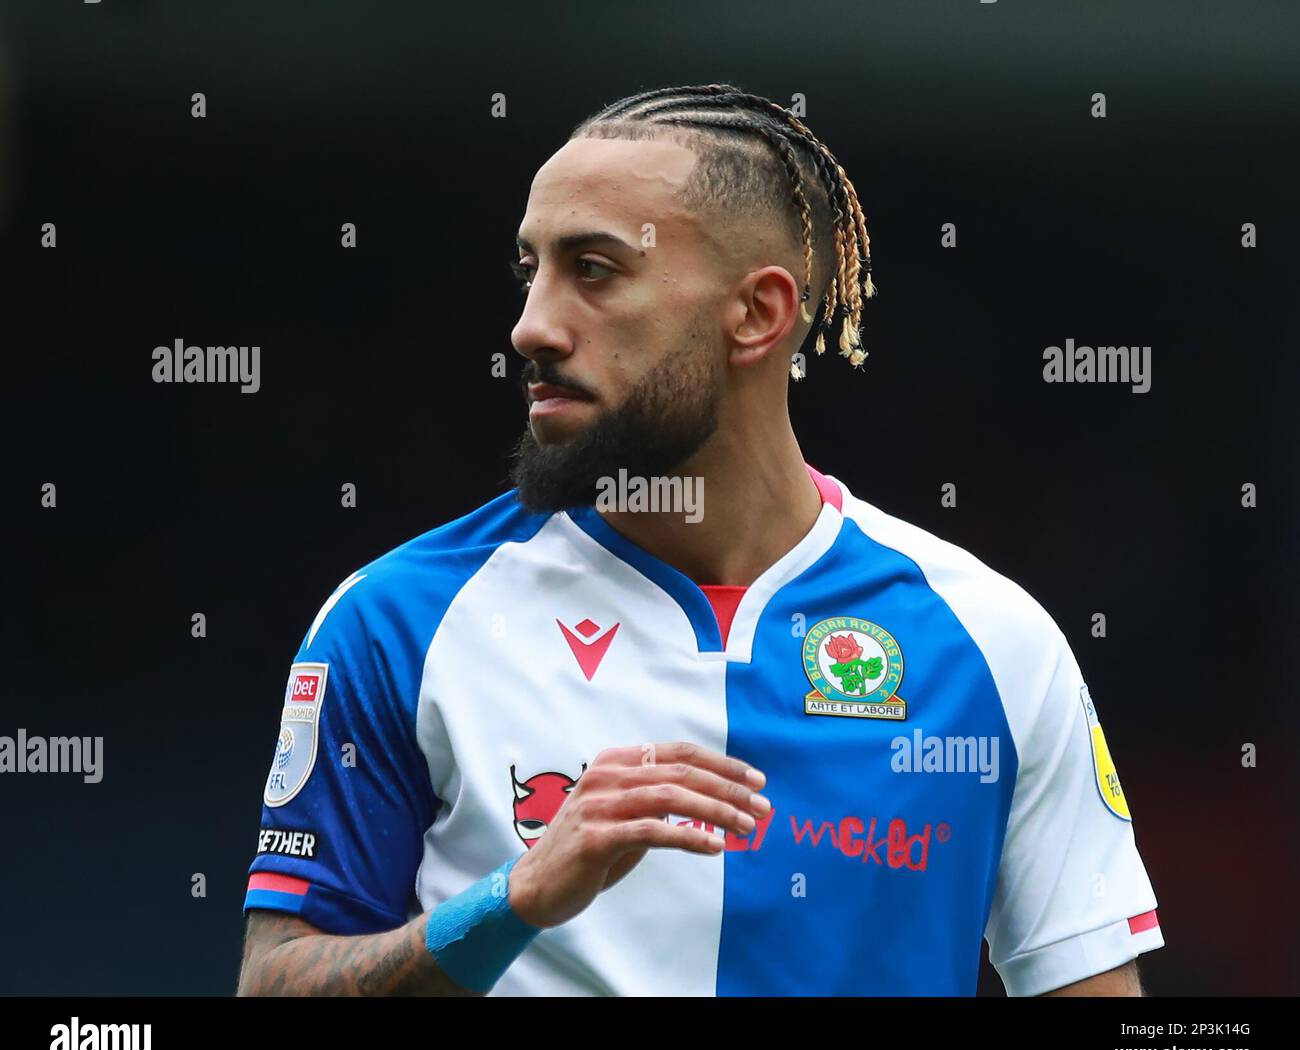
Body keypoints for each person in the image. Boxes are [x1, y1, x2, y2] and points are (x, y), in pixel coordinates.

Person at [236, 83, 1163, 996]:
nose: (532, 326)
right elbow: (271, 986)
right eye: (532, 271)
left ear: (758, 313)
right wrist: (510, 901)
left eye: (592, 270)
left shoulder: (992, 644)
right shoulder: (397, 622)